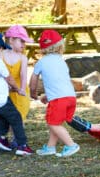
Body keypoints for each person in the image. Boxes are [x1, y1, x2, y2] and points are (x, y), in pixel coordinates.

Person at [29, 29, 79, 157]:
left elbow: (33, 79)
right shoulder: (62, 62)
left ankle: (71, 145)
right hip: (70, 97)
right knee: (55, 122)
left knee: (53, 123)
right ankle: (50, 147)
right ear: (60, 45)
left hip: (59, 100)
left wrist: (33, 93)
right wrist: (47, 95)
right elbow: (59, 82)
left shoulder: (41, 62)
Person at [3, 25, 33, 121]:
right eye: (22, 41)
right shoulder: (1, 55)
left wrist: (22, 89)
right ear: (11, 40)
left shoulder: (22, 57)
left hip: (19, 91)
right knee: (6, 117)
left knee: (19, 115)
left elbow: (23, 75)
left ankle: (17, 135)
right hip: (4, 92)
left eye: (25, 42)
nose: (24, 45)